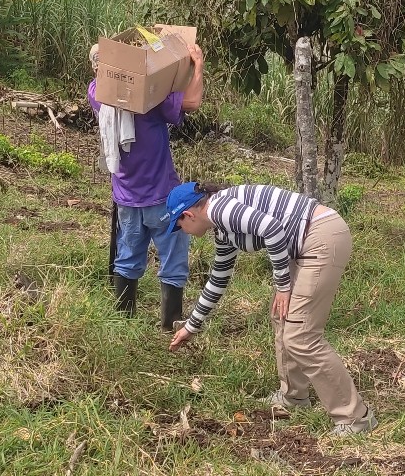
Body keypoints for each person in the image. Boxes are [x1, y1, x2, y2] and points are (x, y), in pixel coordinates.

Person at [163, 181, 378, 437]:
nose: (182, 231)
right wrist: (192, 325)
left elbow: (272, 229)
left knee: (301, 336)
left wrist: (282, 285)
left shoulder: (218, 208)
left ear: (188, 215)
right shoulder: (221, 228)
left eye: (179, 226)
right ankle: (293, 396)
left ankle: (355, 417)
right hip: (303, 244)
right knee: (282, 317)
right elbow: (218, 279)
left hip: (320, 236)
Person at [86, 40, 204, 330]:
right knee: (174, 262)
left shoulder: (96, 93)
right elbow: (192, 102)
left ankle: (124, 322)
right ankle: (170, 326)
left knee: (127, 258)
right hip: (162, 196)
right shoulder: (148, 100)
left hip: (126, 195)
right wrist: (197, 64)